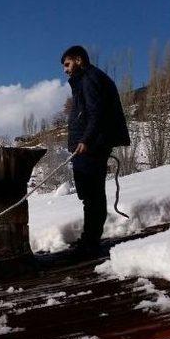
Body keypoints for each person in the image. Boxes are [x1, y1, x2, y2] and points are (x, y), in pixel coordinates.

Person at [61, 45, 130, 259]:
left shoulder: (90, 79)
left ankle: (90, 244)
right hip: (91, 145)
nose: (65, 70)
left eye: (67, 64)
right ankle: (89, 240)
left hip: (91, 147)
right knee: (90, 195)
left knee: (92, 195)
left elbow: (96, 113)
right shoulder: (88, 79)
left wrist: (86, 140)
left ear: (79, 60)